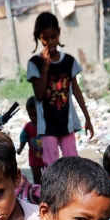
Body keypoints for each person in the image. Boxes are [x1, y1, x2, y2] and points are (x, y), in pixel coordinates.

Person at [27, 13, 94, 166]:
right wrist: (45, 68)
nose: (50, 42)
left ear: (59, 33)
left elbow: (76, 90)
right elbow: (39, 95)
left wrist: (87, 118)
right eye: (45, 38)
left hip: (66, 123)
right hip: (47, 126)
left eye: (53, 36)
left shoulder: (69, 61)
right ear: (39, 37)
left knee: (74, 163)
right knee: (52, 166)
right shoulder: (34, 63)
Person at [17, 96, 45, 187]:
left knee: (47, 177)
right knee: (36, 177)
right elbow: (23, 138)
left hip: (45, 157)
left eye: (35, 115)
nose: (33, 118)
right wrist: (20, 149)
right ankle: (37, 193)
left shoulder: (45, 125)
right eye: (30, 115)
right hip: (33, 157)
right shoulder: (28, 127)